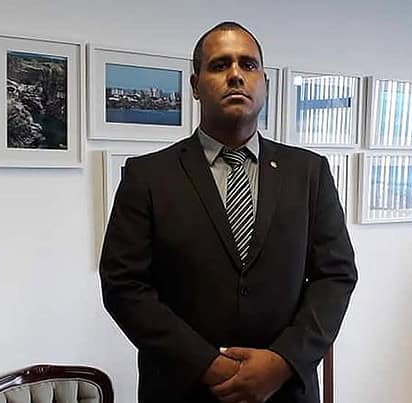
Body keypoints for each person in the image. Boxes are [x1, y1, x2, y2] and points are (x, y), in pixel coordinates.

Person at [99, 21, 358, 403]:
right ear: (195, 85)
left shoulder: (308, 173)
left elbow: (335, 276)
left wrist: (282, 361)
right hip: (184, 390)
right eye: (220, 65)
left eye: (248, 65)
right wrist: (208, 365)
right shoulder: (147, 176)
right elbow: (123, 286)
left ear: (264, 82)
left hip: (285, 390)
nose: (236, 75)